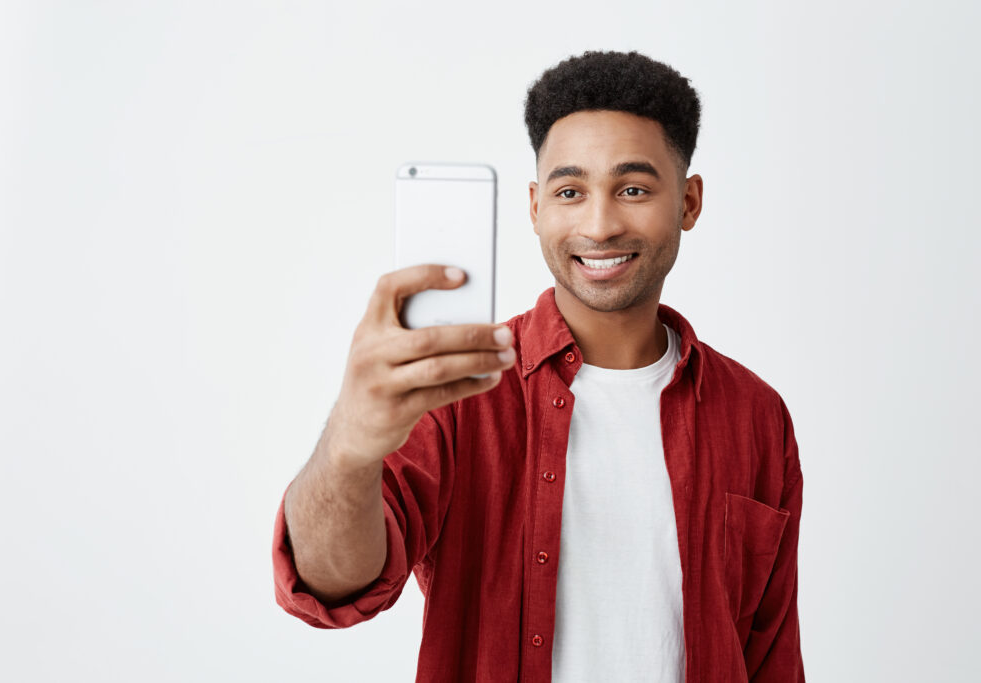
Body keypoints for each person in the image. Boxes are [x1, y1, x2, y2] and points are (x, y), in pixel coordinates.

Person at [272, 50, 805, 683]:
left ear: (688, 202)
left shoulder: (755, 415)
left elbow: (772, 657)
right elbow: (333, 585)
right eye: (570, 191)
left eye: (633, 189)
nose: (600, 224)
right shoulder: (457, 390)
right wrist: (348, 451)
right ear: (534, 207)